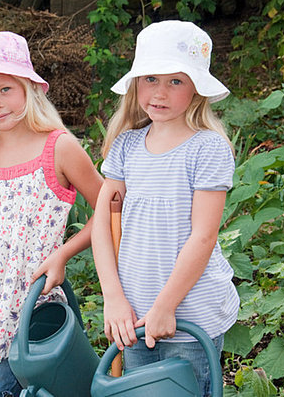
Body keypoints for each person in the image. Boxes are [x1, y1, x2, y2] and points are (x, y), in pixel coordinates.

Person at [0, 31, 103, 397]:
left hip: (27, 308)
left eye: (5, 89)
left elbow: (108, 209)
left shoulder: (58, 147)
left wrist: (62, 254)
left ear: (28, 86)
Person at [91, 20, 239, 396]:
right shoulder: (126, 146)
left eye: (176, 81)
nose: (160, 92)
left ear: (196, 89)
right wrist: (113, 296)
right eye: (150, 79)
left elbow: (203, 237)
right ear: (136, 83)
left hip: (189, 315)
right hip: (134, 314)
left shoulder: (207, 148)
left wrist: (166, 306)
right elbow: (101, 226)